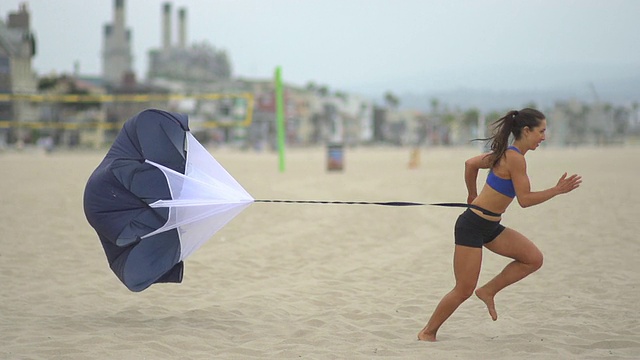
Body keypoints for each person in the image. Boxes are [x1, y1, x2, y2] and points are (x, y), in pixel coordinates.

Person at [417, 108, 582, 342]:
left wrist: (471, 195)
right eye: (541, 131)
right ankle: (427, 332)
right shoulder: (514, 158)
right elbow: (524, 200)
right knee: (463, 289)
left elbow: (470, 164)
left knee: (533, 259)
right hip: (472, 226)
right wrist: (556, 191)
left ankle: (489, 290)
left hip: (491, 227)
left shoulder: (505, 154)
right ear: (526, 131)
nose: (544, 137)